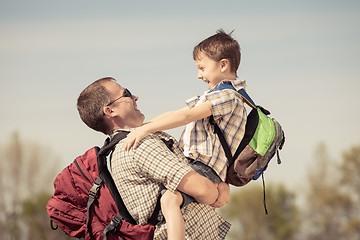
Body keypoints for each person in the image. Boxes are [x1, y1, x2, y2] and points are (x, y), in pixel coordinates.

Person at [122, 29, 247, 239]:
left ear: (223, 64)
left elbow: (187, 116)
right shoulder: (216, 94)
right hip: (196, 164)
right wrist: (139, 127)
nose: (199, 75)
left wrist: (145, 129)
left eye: (202, 68)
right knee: (167, 201)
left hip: (202, 166)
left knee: (169, 199)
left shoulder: (228, 96)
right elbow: (176, 113)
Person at [77, 77, 231, 240]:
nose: (135, 97)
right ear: (110, 111)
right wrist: (220, 191)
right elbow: (202, 189)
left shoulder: (115, 150)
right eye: (126, 94)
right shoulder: (140, 145)